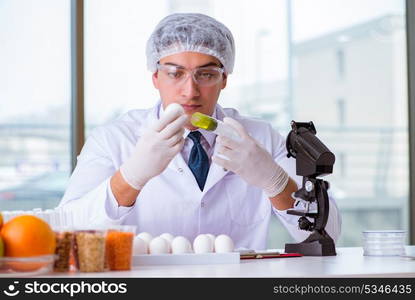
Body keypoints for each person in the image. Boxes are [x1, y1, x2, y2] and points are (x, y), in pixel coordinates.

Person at [59, 13, 341, 250]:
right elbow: (68, 230)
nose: (190, 91)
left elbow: (328, 235)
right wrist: (130, 177)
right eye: (175, 73)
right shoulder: (113, 139)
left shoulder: (260, 137)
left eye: (205, 74)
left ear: (224, 79)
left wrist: (276, 182)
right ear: (155, 77)